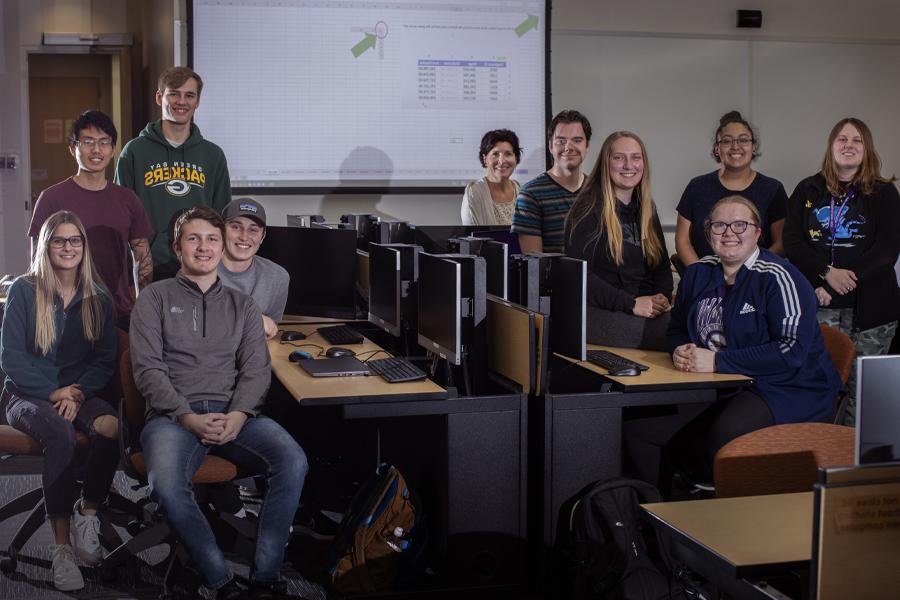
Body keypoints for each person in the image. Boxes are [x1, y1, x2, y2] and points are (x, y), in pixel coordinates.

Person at [130, 206, 307, 600]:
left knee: (292, 460)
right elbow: (148, 372)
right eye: (193, 239)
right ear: (178, 248)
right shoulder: (154, 299)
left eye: (211, 239)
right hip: (172, 418)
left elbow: (256, 370)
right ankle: (221, 582)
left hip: (233, 414)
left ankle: (265, 579)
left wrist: (240, 413)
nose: (204, 247)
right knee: (168, 485)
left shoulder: (242, 305)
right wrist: (187, 416)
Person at [665, 196, 840, 482]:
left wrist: (718, 361)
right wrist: (678, 350)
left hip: (789, 386)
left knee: (724, 433)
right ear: (708, 233)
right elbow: (675, 329)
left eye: (740, 225)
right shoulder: (697, 274)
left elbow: (791, 351)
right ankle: (650, 514)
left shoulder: (780, 278)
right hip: (725, 382)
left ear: (757, 233)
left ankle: (716, 510)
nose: (729, 233)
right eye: (719, 225)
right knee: (643, 427)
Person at [0, 211, 118, 591]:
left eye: (75, 241)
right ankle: (62, 549)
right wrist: (54, 393)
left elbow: (103, 360)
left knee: (112, 428)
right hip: (27, 394)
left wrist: (78, 391)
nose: (68, 248)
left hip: (77, 391)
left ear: (83, 247)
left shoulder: (98, 297)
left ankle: (88, 511)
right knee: (61, 435)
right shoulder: (23, 289)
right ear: (46, 246)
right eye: (59, 240)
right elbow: (11, 359)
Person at [783, 117, 900, 420]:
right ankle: (823, 456)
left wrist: (835, 281)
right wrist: (825, 271)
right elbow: (793, 243)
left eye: (857, 140)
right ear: (831, 146)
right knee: (820, 386)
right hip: (820, 305)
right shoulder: (808, 190)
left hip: (872, 310)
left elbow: (886, 252)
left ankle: (856, 464)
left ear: (867, 148)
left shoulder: (884, 193)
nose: (849, 146)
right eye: (842, 139)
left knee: (863, 395)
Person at [29, 110, 154, 330]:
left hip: (118, 314)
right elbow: (37, 263)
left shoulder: (128, 199)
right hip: (65, 314)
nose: (96, 149)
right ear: (73, 148)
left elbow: (142, 259)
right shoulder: (51, 198)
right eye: (88, 142)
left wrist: (143, 308)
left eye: (104, 142)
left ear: (113, 149)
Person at [115, 66, 231, 282]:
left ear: (197, 101)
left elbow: (221, 216)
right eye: (174, 94)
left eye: (189, 95)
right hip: (151, 265)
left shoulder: (213, 155)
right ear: (159, 97)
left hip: (200, 262)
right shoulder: (134, 152)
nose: (181, 101)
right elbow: (122, 215)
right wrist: (142, 257)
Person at [565, 131, 673, 349]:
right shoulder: (586, 209)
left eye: (635, 157)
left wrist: (661, 296)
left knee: (697, 320)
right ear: (606, 163)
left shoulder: (646, 208)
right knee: (676, 332)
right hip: (601, 312)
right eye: (619, 157)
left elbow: (660, 265)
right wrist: (631, 304)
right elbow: (581, 276)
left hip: (640, 307)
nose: (628, 165)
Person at [675, 111, 788, 269]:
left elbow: (781, 244)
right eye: (727, 141)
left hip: (756, 279)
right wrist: (700, 274)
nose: (735, 147)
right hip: (705, 282)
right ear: (717, 149)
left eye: (743, 140)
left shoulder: (773, 189)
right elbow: (682, 240)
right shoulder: (696, 187)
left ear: (753, 147)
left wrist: (750, 273)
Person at [512, 110, 592, 253]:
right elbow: (534, 266)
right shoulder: (530, 195)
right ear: (550, 146)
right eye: (561, 141)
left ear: (587, 146)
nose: (568, 147)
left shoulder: (600, 189)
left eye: (577, 140)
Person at [219, 198, 289, 340]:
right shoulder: (198, 270)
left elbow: (269, 330)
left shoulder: (277, 276)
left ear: (262, 236)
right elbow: (192, 323)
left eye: (253, 230)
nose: (244, 236)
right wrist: (253, 319)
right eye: (236, 227)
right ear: (220, 230)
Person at [460, 129, 522, 226]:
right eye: (495, 154)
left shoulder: (521, 190)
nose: (501, 161)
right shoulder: (474, 192)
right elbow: (474, 238)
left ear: (516, 159)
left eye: (508, 154)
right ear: (485, 159)